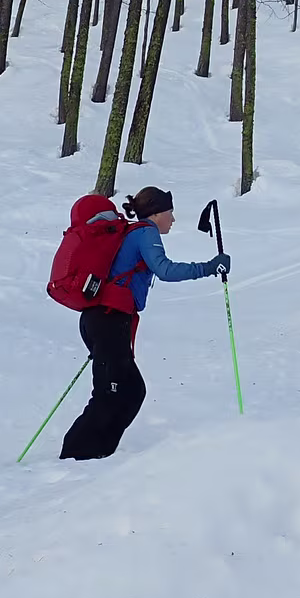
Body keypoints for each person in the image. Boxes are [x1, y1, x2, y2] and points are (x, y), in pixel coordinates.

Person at [60, 186, 230, 460]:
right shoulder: (145, 233)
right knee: (109, 393)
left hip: (106, 320)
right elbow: (165, 270)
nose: (173, 219)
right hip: (108, 320)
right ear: (157, 213)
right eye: (170, 212)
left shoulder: (132, 233)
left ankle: (100, 453)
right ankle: (74, 456)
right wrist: (210, 267)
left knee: (132, 390)